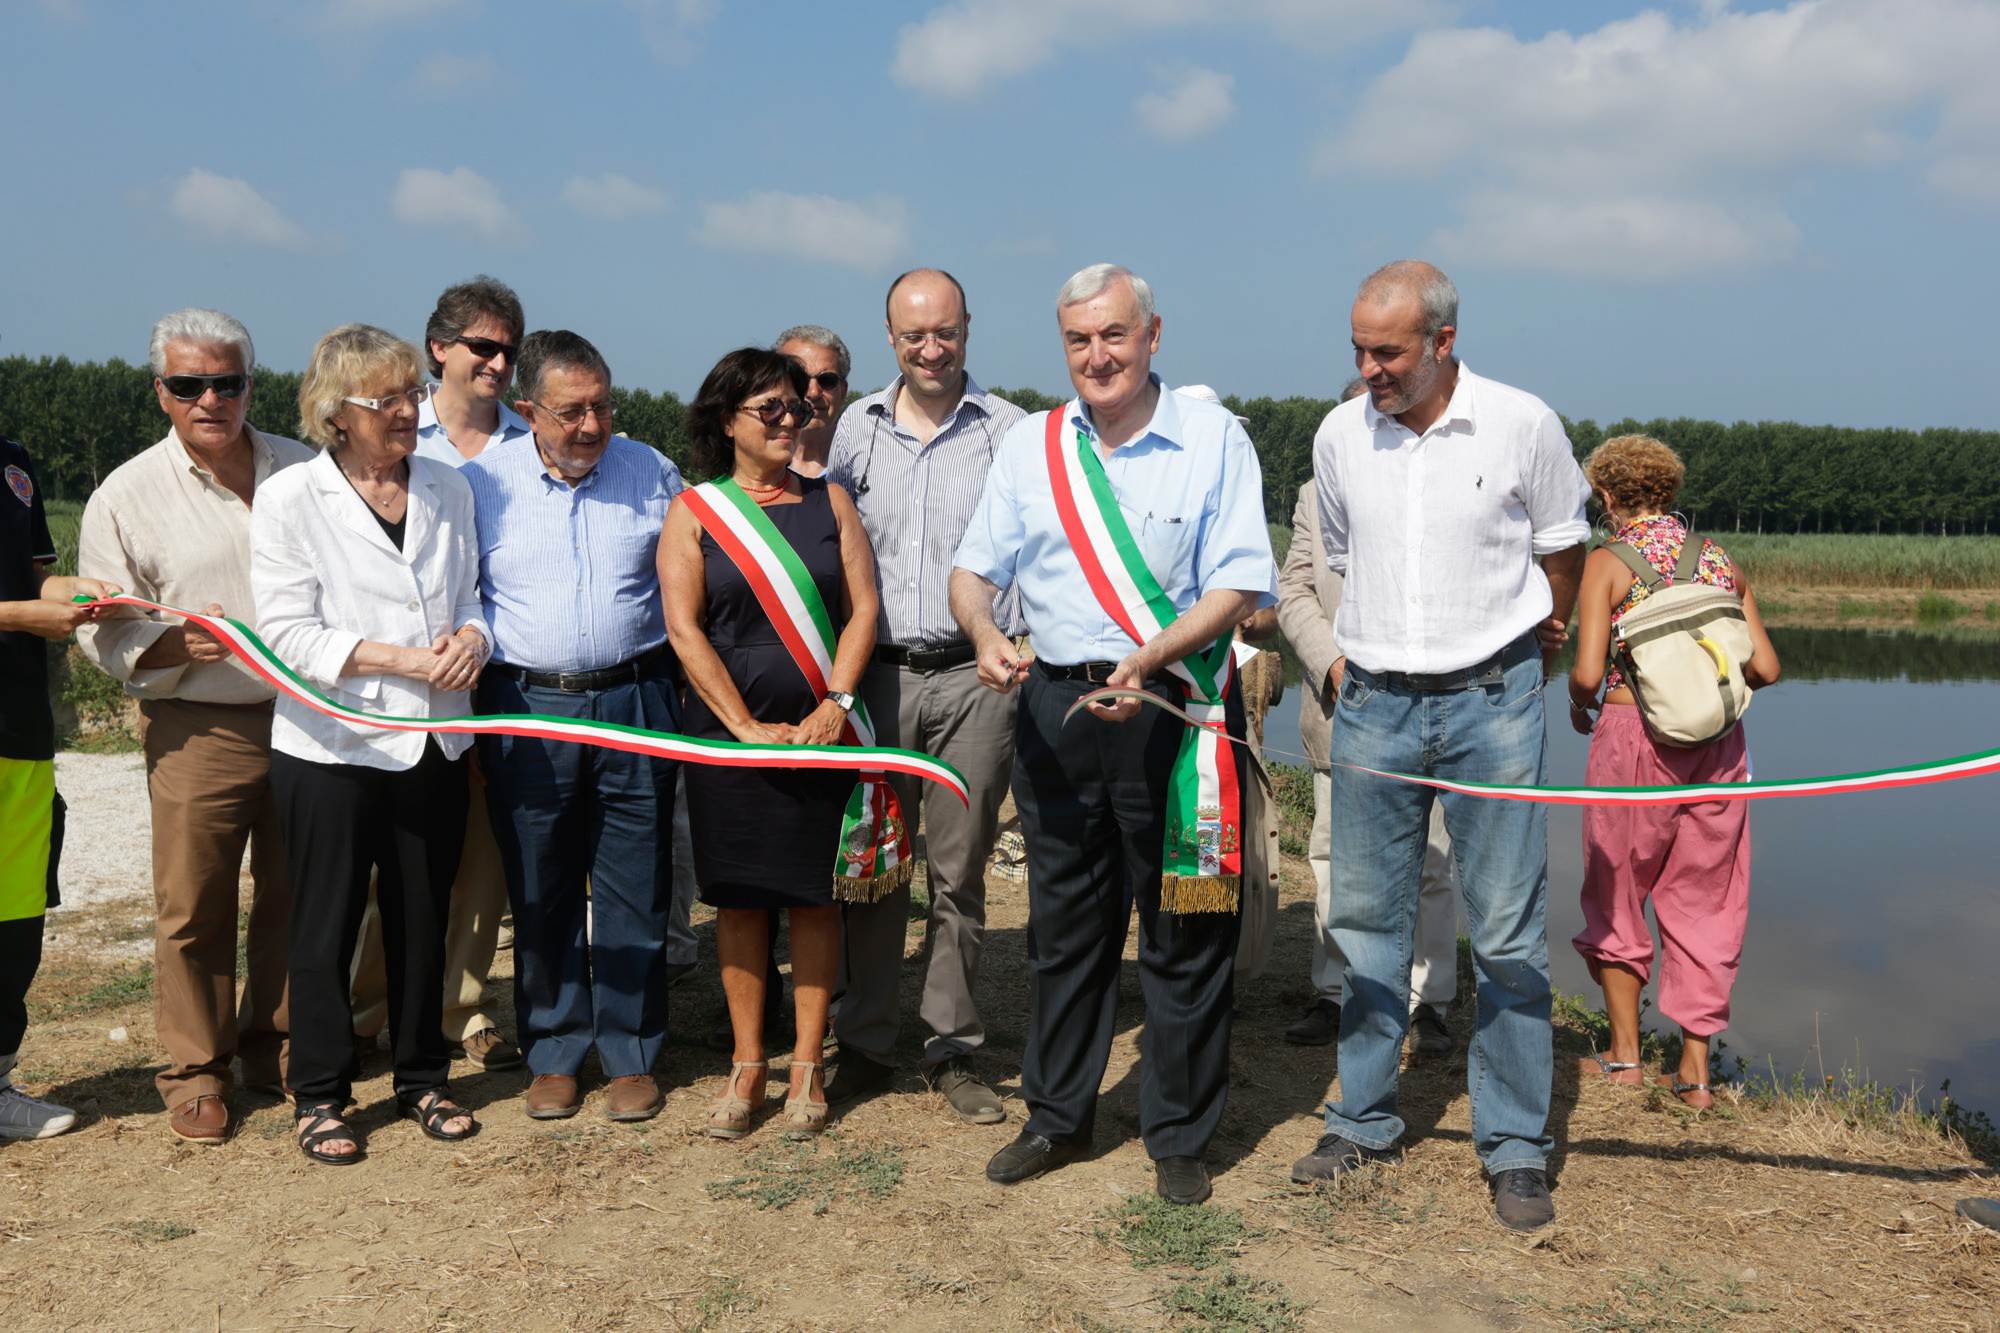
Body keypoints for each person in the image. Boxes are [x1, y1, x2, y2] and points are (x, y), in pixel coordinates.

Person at [952, 264, 1277, 1206]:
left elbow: (1239, 581)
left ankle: (1177, 1132)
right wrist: (981, 632)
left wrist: (1150, 657)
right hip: (1055, 706)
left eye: (1114, 336)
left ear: (1153, 334)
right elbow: (976, 567)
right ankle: (1057, 1116)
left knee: (1185, 927)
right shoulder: (1032, 446)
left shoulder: (1215, 438)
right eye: (1078, 341)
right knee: (1064, 927)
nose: (1097, 357)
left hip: (1173, 710)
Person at [1292, 261, 1588, 1234]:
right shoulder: (1338, 434)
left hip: (1494, 701)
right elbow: (1339, 553)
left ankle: (1510, 1145)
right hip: (1371, 702)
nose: (1367, 368)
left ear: (1442, 342)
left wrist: (1528, 653)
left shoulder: (1522, 424)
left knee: (1503, 931)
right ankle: (1361, 1117)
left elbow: (1561, 553)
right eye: (1357, 350)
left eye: (1385, 351)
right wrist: (1359, 667)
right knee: (1367, 921)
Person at [251, 323, 488, 1163]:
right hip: (333, 749)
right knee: (327, 925)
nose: (406, 411)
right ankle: (320, 1091)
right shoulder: (287, 500)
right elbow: (286, 632)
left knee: (425, 917)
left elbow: (472, 596)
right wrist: (403, 659)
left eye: (410, 394)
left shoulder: (447, 488)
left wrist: (471, 638)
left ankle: (423, 1075)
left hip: (434, 743)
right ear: (334, 412)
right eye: (384, 399)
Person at [76, 308, 313, 1144]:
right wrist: (173, 640)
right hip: (196, 723)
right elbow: (98, 625)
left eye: (227, 381)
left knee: (297, 894)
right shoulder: (125, 495)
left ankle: (277, 1045)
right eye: (189, 384)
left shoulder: (306, 468)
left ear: (252, 383)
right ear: (161, 394)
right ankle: (194, 1072)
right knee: (194, 907)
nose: (210, 398)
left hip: (306, 719)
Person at [461, 330, 685, 1123]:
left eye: (602, 405)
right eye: (570, 411)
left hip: (636, 697)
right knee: (542, 883)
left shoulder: (652, 471)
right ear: (527, 410)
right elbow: (462, 603)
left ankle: (630, 1051)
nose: (592, 425)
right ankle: (554, 1050)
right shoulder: (480, 484)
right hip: (529, 706)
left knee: (635, 882)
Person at [822, 269, 1027, 1122]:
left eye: (944, 332)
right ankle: (865, 1039)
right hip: (879, 681)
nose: (931, 349)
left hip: (976, 680)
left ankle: (951, 1045)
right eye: (914, 336)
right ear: (890, 338)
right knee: (872, 868)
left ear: (968, 329)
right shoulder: (853, 431)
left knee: (959, 870)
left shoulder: (1014, 432)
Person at [660, 347, 880, 1140]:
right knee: (741, 899)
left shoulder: (833, 503)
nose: (793, 419)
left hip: (825, 735)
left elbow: (862, 610)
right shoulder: (695, 511)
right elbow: (684, 629)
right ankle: (749, 1063)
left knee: (817, 898)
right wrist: (744, 727)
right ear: (727, 422)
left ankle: (808, 1063)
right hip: (730, 741)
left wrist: (837, 702)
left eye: (799, 406)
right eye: (771, 409)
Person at [348, 276, 532, 1074]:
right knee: (387, 854)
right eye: (482, 347)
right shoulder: (389, 428)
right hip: (387, 680)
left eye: (509, 350)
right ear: (439, 348)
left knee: (477, 858)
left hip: (497, 670)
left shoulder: (535, 439)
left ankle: (463, 1007)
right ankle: (364, 1008)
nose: (497, 362)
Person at [1567, 434, 1779, 1108]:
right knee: (1709, 898)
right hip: (1721, 748)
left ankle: (1626, 1059)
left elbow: (1588, 672)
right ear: (1669, 491)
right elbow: (1766, 668)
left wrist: (1581, 705)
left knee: (1618, 888)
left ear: (1606, 495)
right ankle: (1695, 1076)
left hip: (1634, 740)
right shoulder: (1719, 559)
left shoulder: (1607, 562)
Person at [1274, 376, 1459, 1053]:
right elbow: (1293, 586)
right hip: (1340, 708)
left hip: (1432, 709)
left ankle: (1427, 1002)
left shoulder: (1443, 485)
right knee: (1329, 856)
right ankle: (1335, 991)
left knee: (1433, 862)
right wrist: (1331, 663)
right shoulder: (1312, 495)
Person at [0, 435, 119, 1140]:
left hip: (18, 727)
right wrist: (18, 616)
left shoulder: (14, 460)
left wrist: (70, 592)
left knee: (14, 919)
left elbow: (33, 574)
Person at [774, 324, 851, 478]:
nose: (813, 392)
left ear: (842, 392)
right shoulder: (755, 471)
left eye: (827, 380)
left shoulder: (868, 465)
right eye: (800, 379)